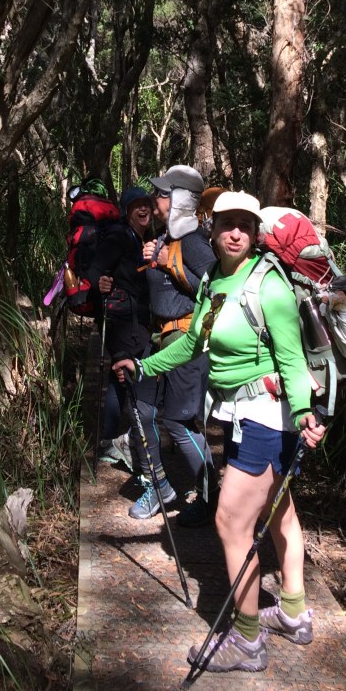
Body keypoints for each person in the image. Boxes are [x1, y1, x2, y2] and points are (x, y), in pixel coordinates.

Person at [114, 191, 326, 673]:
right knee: (281, 512)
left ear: (255, 234)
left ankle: (247, 640)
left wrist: (305, 411)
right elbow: (192, 342)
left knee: (231, 522)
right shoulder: (214, 281)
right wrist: (144, 365)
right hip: (242, 413)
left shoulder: (267, 285)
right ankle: (293, 613)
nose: (234, 232)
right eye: (226, 223)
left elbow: (292, 361)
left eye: (244, 225)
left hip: (268, 415)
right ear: (212, 227)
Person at [133, 165, 217, 526]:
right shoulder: (165, 237)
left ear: (182, 200)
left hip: (186, 340)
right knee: (142, 410)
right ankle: (159, 485)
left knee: (180, 423)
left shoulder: (195, 241)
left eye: (163, 194)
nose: (155, 199)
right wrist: (152, 260)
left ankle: (214, 499)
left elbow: (216, 291)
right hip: (159, 339)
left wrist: (172, 264)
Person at [87, 186, 155, 470]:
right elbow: (93, 269)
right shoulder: (118, 236)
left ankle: (110, 439)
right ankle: (118, 441)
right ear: (126, 211)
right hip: (119, 321)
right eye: (136, 205)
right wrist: (100, 282)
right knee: (125, 374)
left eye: (147, 205)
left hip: (135, 319)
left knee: (120, 377)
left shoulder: (145, 239)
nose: (143, 210)